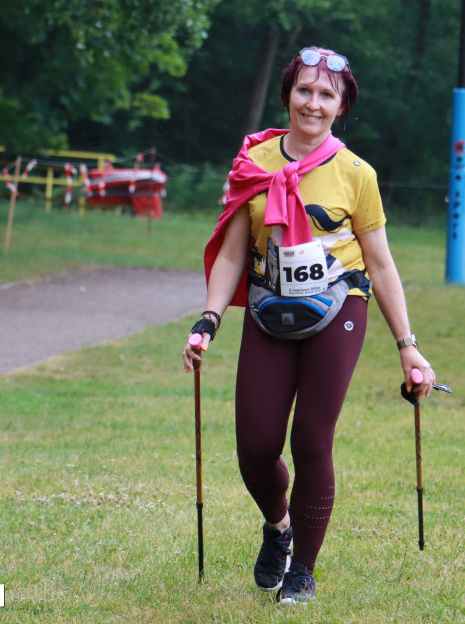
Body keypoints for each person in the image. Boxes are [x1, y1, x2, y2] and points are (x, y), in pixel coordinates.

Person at [182, 46, 437, 605]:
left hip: (339, 306)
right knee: (254, 446)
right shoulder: (254, 162)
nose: (313, 103)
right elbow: (230, 254)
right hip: (269, 306)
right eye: (304, 90)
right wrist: (207, 321)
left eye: (327, 94)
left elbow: (381, 263)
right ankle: (279, 528)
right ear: (288, 94)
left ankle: (303, 570)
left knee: (311, 440)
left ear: (342, 105)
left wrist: (408, 347)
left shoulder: (356, 175)